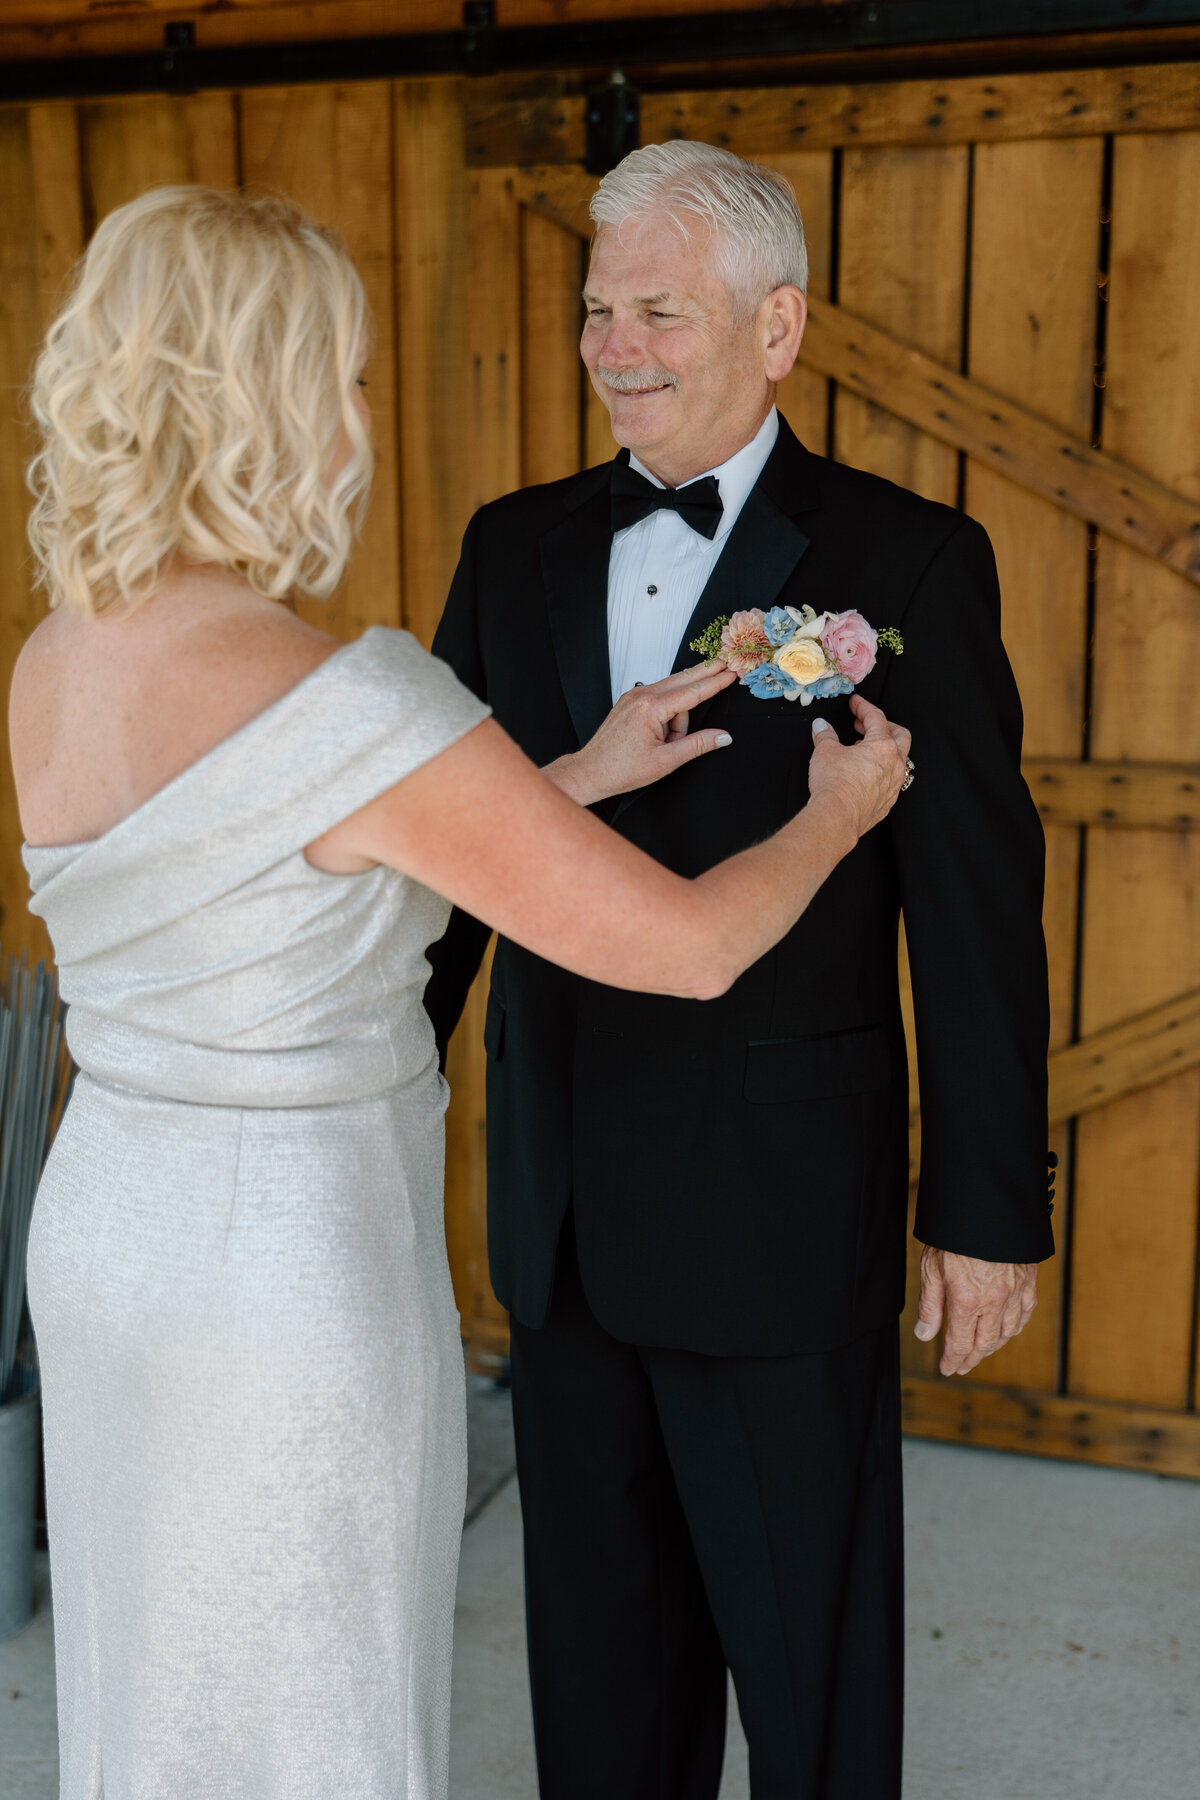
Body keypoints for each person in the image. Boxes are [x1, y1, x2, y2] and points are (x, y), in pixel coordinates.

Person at [9, 185, 908, 1800]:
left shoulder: (61, 656)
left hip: (112, 1237)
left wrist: (565, 772)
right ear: (274, 401)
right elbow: (690, 945)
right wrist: (837, 822)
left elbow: (279, 878)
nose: (362, 413)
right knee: (312, 1695)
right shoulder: (354, 698)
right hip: (285, 1269)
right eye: (344, 376)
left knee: (157, 1689)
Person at [425, 140, 1053, 1800]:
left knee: (809, 1674)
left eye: (657, 309)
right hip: (560, 1211)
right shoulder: (511, 548)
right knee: (600, 1684)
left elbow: (975, 899)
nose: (614, 344)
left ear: (776, 328)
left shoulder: (909, 559)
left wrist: (987, 1204)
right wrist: (364, 1083)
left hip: (781, 1208)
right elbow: (449, 852)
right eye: (594, 308)